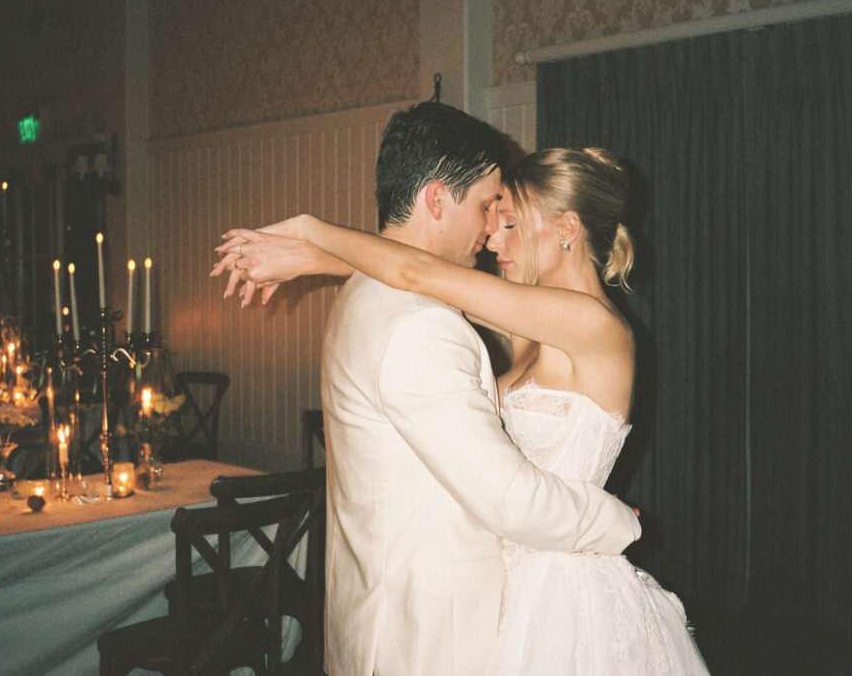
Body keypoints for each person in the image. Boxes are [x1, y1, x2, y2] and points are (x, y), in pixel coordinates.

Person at [214, 145, 709, 675]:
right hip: (505, 574)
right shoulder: (532, 318)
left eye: (511, 224)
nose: (493, 239)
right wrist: (312, 261)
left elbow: (417, 273)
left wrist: (310, 231)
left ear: (567, 228)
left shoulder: (593, 324)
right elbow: (421, 272)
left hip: (563, 585)